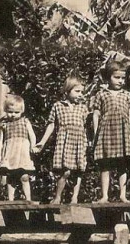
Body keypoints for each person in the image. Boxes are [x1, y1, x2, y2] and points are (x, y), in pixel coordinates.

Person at [35, 75, 90, 204]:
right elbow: (51, 124)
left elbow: (87, 126)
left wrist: (88, 141)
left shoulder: (83, 107)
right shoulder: (58, 106)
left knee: (78, 170)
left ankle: (74, 198)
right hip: (64, 141)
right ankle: (58, 197)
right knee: (65, 171)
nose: (80, 94)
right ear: (67, 91)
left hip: (79, 141)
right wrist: (42, 142)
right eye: (77, 91)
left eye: (82, 92)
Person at [90, 59, 130, 203]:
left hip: (122, 132)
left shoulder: (127, 95)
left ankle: (123, 195)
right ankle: (105, 196)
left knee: (123, 164)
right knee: (105, 165)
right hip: (106, 132)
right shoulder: (101, 94)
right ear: (108, 77)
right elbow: (96, 115)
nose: (120, 80)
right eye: (117, 77)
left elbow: (129, 117)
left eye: (123, 78)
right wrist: (97, 134)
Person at [0, 95, 37, 202]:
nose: (13, 115)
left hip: (22, 153)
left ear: (21, 111)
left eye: (16, 112)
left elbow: (32, 135)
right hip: (10, 153)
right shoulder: (5, 125)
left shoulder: (25, 121)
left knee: (24, 176)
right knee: (11, 177)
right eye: (10, 112)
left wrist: (33, 146)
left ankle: (28, 199)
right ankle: (10, 199)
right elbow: (1, 140)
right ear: (6, 110)